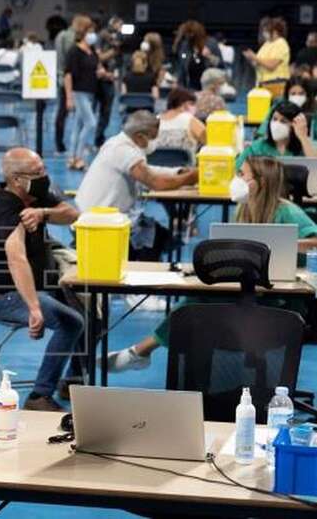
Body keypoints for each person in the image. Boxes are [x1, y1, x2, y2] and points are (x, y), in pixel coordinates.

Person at [108, 157, 317, 371]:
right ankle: (152, 355)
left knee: (196, 301)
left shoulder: (288, 211)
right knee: (196, 299)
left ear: (260, 182)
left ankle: (142, 351)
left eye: (242, 174)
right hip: (248, 289)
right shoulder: (244, 210)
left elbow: (315, 240)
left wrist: (286, 243)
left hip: (282, 298)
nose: (237, 179)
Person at [0, 148, 83, 411]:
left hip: (42, 286)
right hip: (8, 297)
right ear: (16, 179)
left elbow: (72, 214)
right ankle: (39, 395)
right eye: (37, 173)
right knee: (72, 322)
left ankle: (73, 379)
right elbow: (17, 259)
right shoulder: (4, 212)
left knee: (90, 311)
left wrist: (43, 213)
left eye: (43, 170)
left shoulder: (34, 196)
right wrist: (34, 307)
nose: (44, 176)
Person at [76, 111, 198, 261]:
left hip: (101, 217)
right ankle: (146, 277)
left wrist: (178, 172)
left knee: (158, 235)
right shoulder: (123, 150)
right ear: (140, 136)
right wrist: (190, 178)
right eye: (153, 137)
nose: (154, 142)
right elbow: (155, 182)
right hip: (98, 225)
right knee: (154, 240)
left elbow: (149, 170)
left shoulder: (119, 143)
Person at [64, 22, 101, 170]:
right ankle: (79, 157)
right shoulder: (74, 51)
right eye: (90, 32)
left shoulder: (92, 51)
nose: (93, 35)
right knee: (91, 123)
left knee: (78, 126)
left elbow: (96, 67)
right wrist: (69, 97)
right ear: (83, 33)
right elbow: (68, 75)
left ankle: (71, 158)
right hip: (79, 92)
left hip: (90, 92)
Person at [237, 101, 317, 169]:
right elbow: (238, 170)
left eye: (283, 121)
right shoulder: (256, 148)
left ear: (294, 125)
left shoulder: (305, 148)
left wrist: (303, 137)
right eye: (274, 119)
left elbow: (315, 170)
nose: (276, 124)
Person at [54, 14, 92, 154]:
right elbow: (73, 62)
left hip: (61, 77)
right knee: (81, 116)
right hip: (74, 81)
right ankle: (77, 147)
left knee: (62, 113)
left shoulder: (60, 35)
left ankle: (59, 145)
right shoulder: (74, 40)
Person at [155, 87, 206, 163]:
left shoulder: (154, 121)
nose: (194, 107)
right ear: (184, 104)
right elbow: (211, 142)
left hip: (156, 171)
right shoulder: (190, 120)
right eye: (192, 104)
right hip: (185, 172)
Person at [94, 17, 124, 146]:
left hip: (110, 79)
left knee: (106, 111)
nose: (120, 27)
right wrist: (112, 52)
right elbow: (98, 57)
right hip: (98, 79)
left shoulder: (118, 37)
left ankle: (99, 138)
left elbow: (118, 58)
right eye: (119, 25)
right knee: (90, 112)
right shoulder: (102, 36)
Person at [243, 17, 291, 97]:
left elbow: (271, 66)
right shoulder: (266, 44)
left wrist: (255, 57)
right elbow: (258, 63)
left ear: (275, 31)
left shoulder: (281, 43)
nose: (264, 33)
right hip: (262, 82)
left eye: (267, 31)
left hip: (276, 82)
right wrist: (251, 59)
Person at [173, 20, 214, 90]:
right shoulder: (185, 46)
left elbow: (221, 66)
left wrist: (210, 57)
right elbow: (182, 68)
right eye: (187, 34)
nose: (189, 36)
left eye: (190, 33)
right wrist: (178, 83)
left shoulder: (211, 43)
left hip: (207, 88)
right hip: (189, 87)